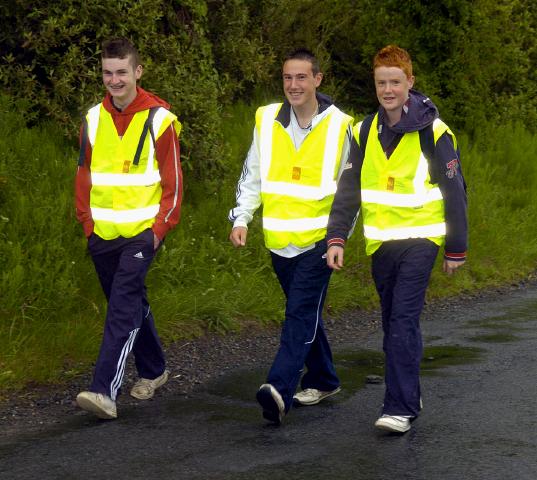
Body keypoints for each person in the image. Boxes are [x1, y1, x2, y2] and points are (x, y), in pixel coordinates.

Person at [326, 45, 467, 433]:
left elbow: (455, 192)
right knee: (393, 323)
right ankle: (409, 390)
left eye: (395, 82)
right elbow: (348, 191)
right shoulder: (363, 131)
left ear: (410, 83)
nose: (388, 90)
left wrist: (457, 248)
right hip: (381, 244)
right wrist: (336, 237)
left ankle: (399, 407)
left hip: (422, 240)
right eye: (381, 82)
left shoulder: (433, 132)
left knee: (403, 320)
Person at [228, 48, 354, 425]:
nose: (293, 85)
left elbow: (350, 191)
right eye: (287, 78)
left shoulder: (342, 125)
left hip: (319, 241)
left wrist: (338, 239)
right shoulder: (266, 119)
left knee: (298, 313)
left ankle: (278, 389)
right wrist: (242, 218)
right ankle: (325, 378)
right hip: (278, 241)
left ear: (318, 79)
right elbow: (253, 174)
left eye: (301, 77)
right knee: (307, 314)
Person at [74, 38, 183, 419]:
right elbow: (84, 174)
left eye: (122, 72)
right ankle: (154, 370)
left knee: (121, 307)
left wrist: (158, 230)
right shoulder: (92, 118)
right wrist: (87, 223)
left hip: (141, 233)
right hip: (101, 233)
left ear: (138, 71)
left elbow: (173, 185)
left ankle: (104, 389)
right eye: (108, 72)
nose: (114, 80)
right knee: (131, 301)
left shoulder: (160, 120)